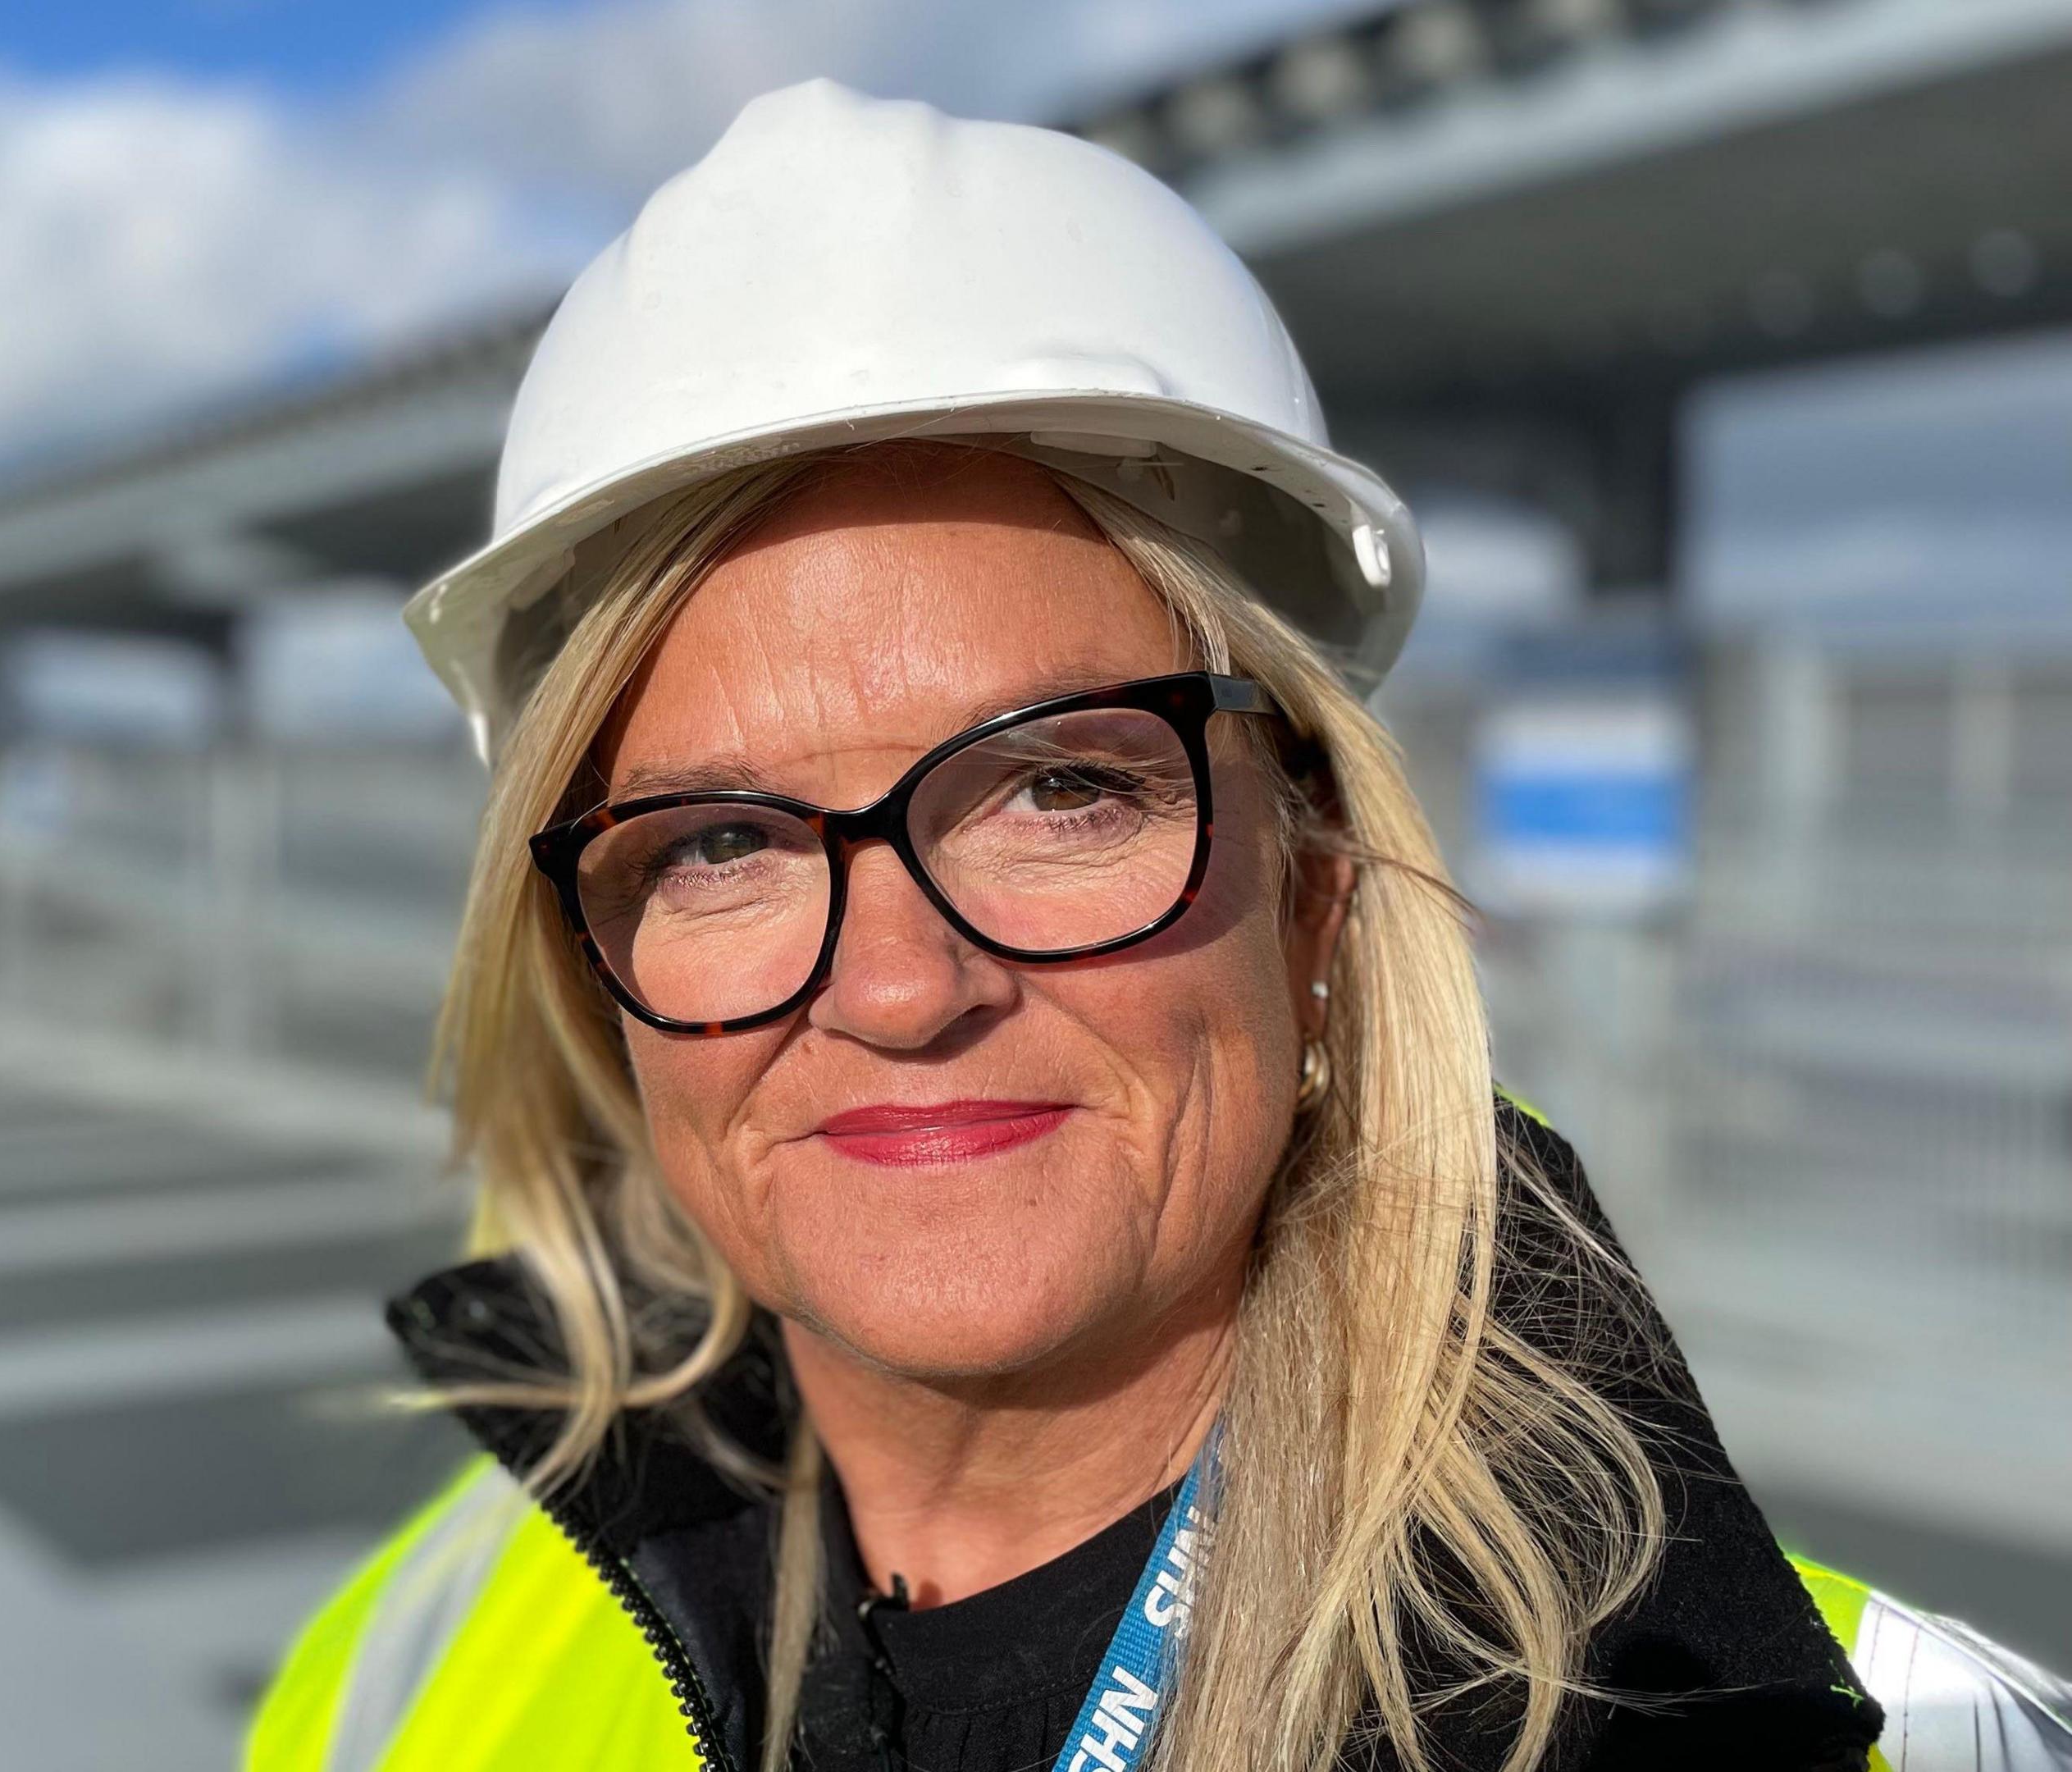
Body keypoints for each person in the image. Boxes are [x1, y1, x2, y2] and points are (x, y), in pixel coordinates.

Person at [249, 81, 2072, 1772]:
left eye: (1064, 790)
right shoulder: (409, 1665)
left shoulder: (1870, 1732)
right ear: (593, 977)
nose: (898, 985)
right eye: (722, 842)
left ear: (1312, 882)